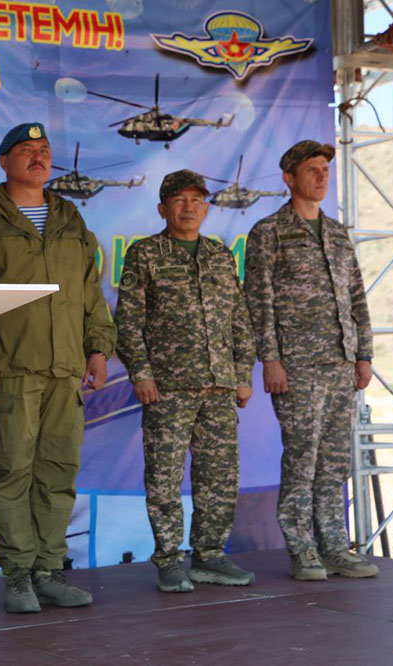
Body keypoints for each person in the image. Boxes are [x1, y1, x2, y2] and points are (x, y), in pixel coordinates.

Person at [0, 123, 116, 613]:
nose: (38, 157)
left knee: (58, 471)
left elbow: (91, 292)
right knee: (14, 472)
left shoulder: (69, 216)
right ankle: (19, 574)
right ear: (4, 161)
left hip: (64, 368)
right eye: (26, 150)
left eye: (44, 151)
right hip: (11, 369)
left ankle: (49, 570)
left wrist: (98, 349)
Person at [115, 170, 256, 593]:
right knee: (164, 478)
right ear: (163, 208)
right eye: (179, 199)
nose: (189, 206)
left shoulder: (220, 255)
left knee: (219, 476)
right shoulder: (145, 254)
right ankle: (169, 560)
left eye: (197, 199)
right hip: (168, 388)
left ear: (207, 208)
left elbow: (239, 318)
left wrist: (242, 375)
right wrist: (140, 373)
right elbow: (129, 321)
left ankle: (210, 556)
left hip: (219, 385)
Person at [244, 140, 378, 581]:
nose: (321, 176)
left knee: (335, 460)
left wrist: (364, 354)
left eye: (325, 169)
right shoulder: (269, 232)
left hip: (341, 365)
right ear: (289, 179)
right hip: (297, 366)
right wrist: (271, 360)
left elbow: (356, 296)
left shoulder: (338, 234)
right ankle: (302, 550)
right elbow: (258, 302)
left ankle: (335, 547)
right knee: (302, 457)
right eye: (312, 170)